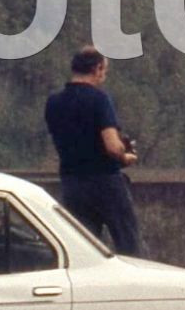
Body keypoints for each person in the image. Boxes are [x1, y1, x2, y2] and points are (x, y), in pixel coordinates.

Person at [44, 46, 142, 255]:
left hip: (72, 182)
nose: (103, 76)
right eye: (104, 71)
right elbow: (112, 146)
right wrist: (125, 157)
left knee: (83, 247)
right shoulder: (99, 99)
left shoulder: (53, 102)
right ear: (97, 69)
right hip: (105, 180)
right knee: (129, 243)